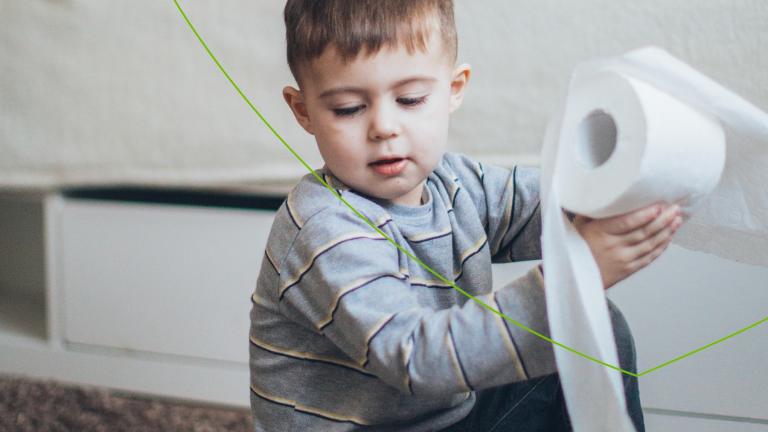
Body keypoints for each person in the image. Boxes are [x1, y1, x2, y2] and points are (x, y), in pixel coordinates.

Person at [249, 1, 683, 430]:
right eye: (348, 108)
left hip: (450, 415)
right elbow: (417, 361)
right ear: (303, 110)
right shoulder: (324, 228)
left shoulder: (454, 182)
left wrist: (615, 186)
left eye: (410, 99)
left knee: (596, 327)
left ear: (453, 89)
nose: (383, 127)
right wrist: (571, 278)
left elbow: (542, 203)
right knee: (566, 314)